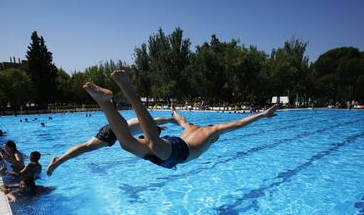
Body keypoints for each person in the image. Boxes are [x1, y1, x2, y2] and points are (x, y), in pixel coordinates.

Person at [82, 69, 278, 169]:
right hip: (178, 152)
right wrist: (262, 114)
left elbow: (179, 117)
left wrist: (174, 110)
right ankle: (127, 87)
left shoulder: (189, 125)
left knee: (126, 144)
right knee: (154, 145)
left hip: (172, 147)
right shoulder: (213, 132)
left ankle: (105, 102)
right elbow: (239, 123)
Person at [46, 116, 178, 176]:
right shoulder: (148, 121)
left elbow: (155, 124)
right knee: (86, 147)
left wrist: (160, 127)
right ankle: (57, 163)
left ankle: (59, 159)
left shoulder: (147, 124)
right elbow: (166, 119)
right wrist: (181, 123)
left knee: (86, 147)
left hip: (113, 131)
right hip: (112, 132)